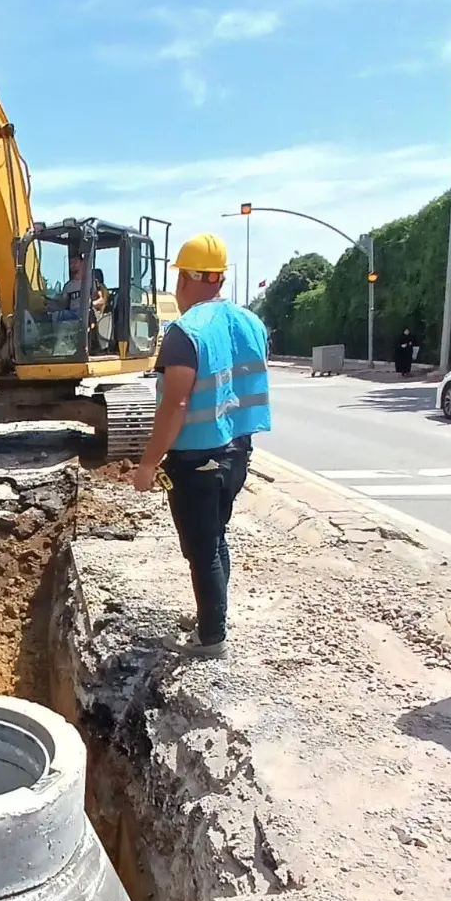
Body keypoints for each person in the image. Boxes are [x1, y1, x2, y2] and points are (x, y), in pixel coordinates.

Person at [130, 233, 271, 657]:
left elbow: (175, 403)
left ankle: (212, 639)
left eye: (178, 277)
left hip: (195, 459)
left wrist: (148, 464)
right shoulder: (251, 323)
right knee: (217, 537)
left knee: (201, 549)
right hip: (237, 451)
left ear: (191, 277)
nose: (176, 287)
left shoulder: (184, 332)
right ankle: (215, 620)